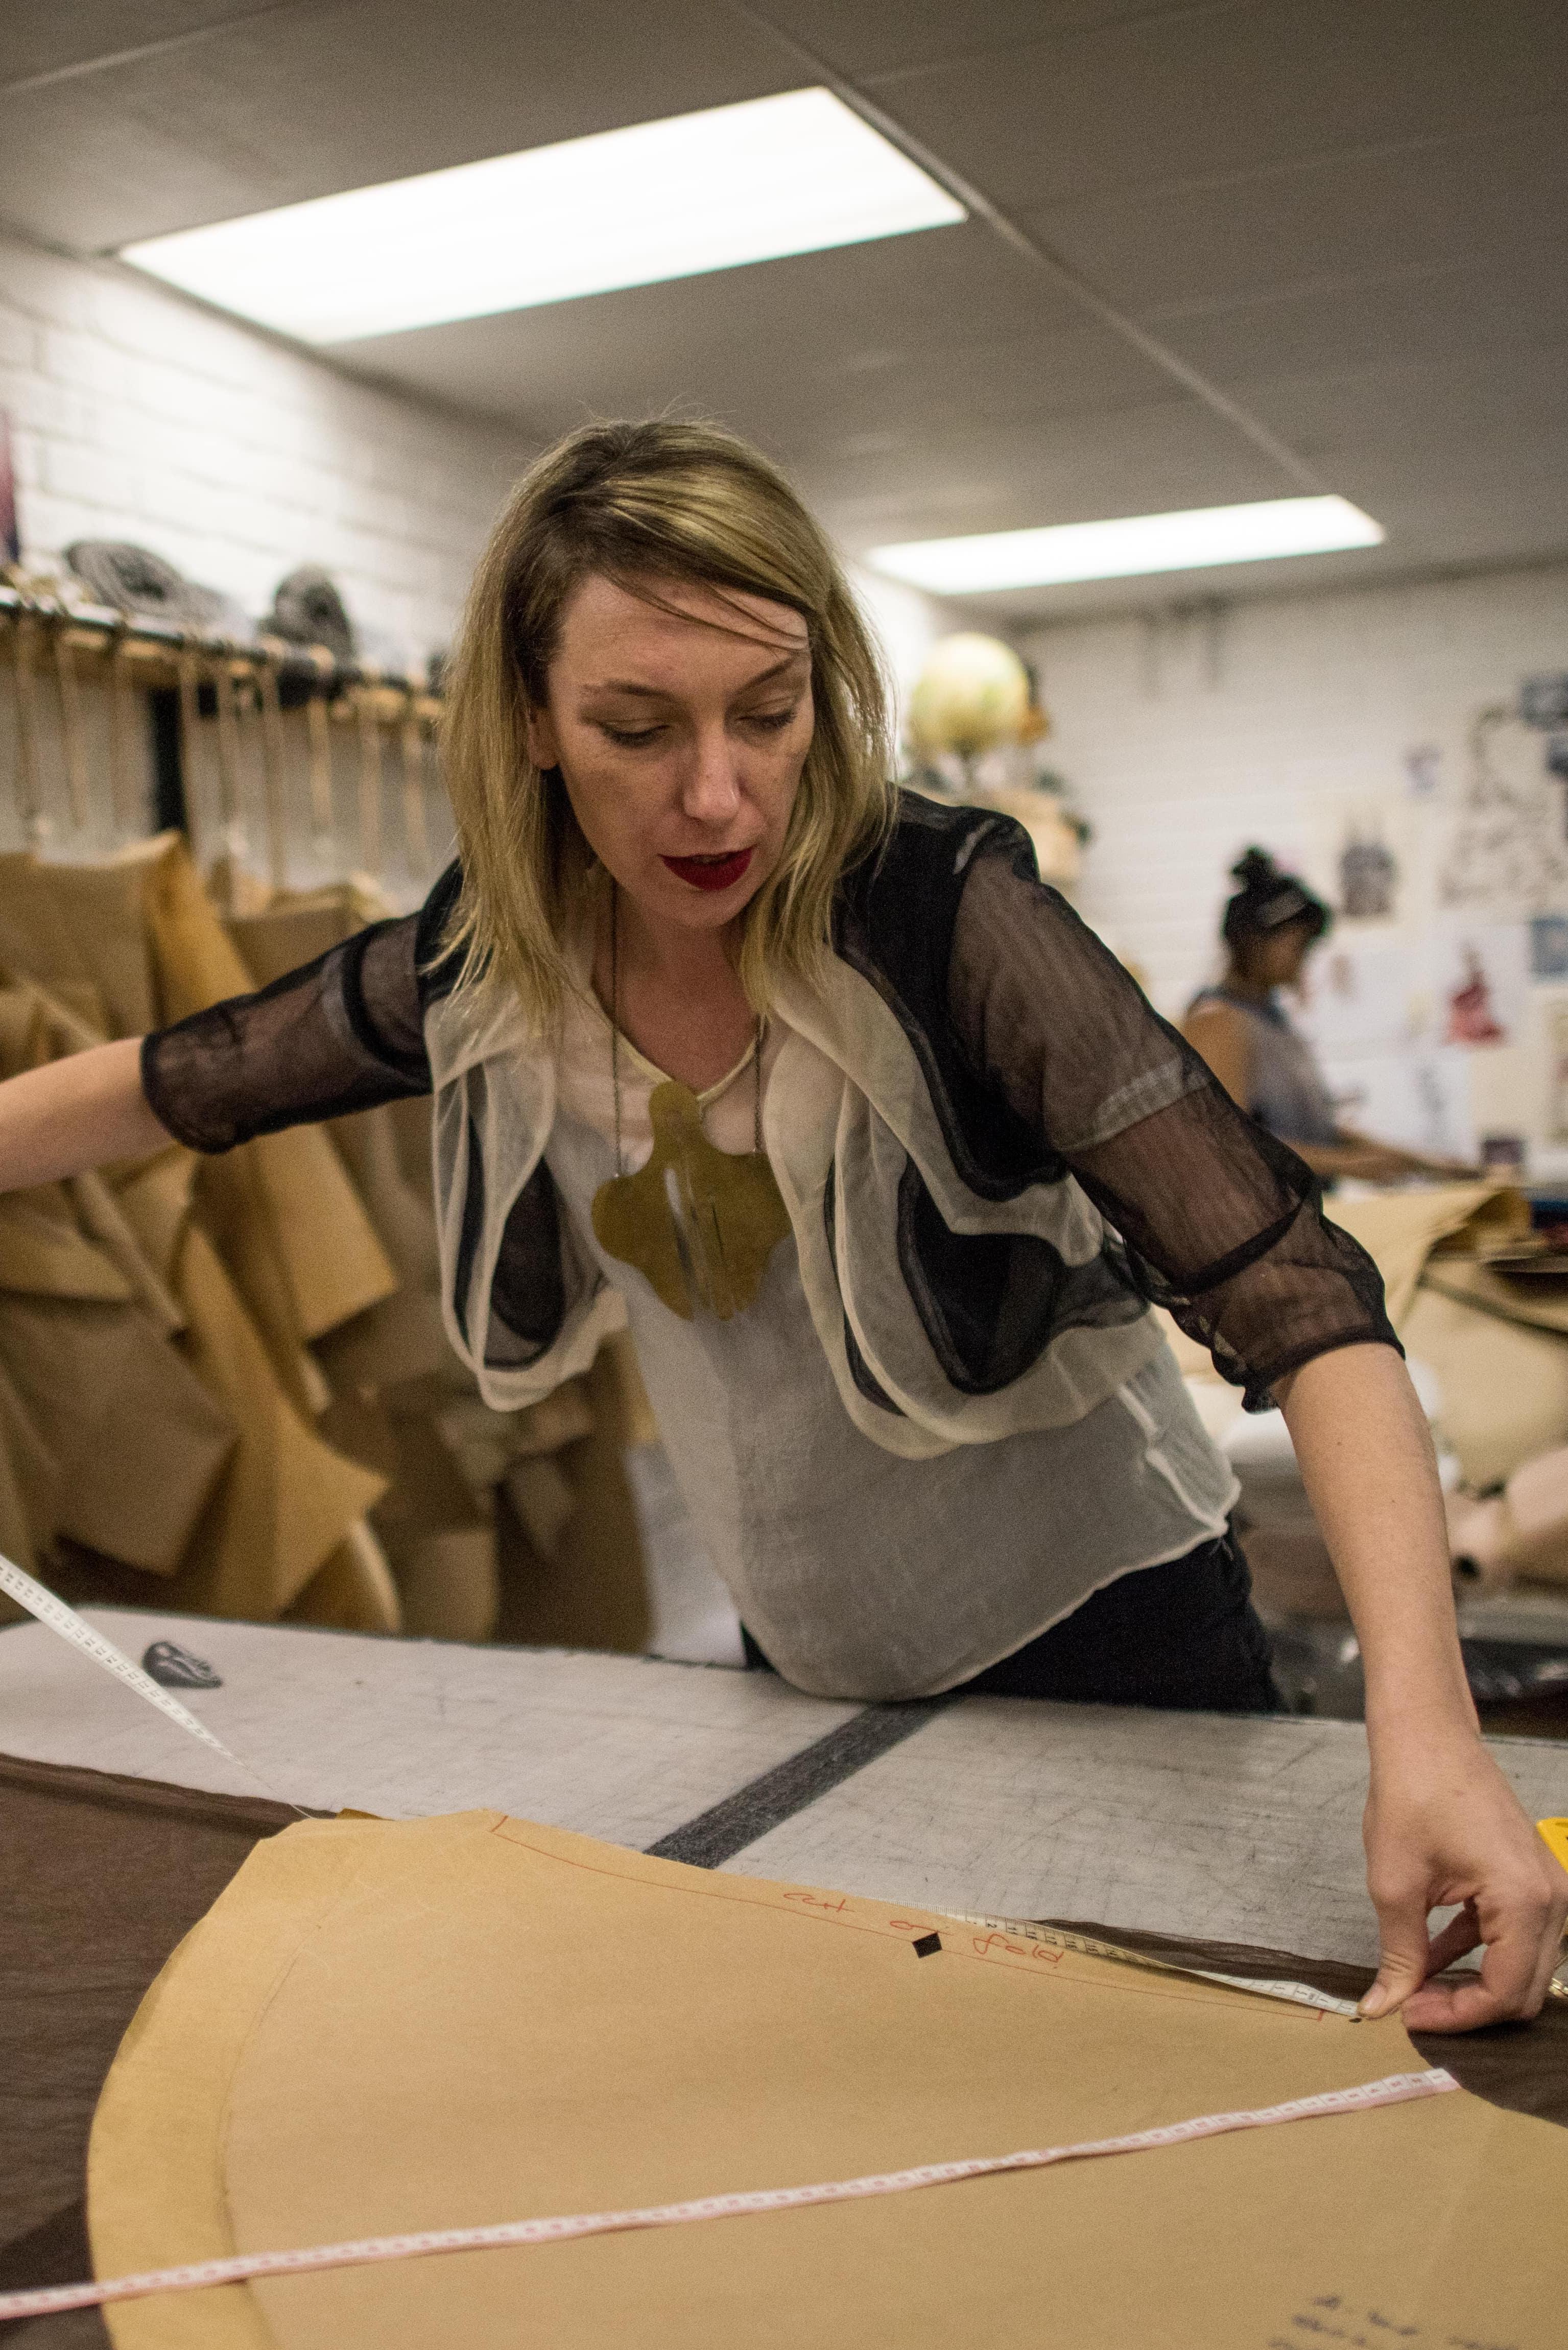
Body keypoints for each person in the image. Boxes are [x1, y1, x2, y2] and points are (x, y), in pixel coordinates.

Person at [0, 422, 1559, 2032]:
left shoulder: (954, 919)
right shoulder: (500, 961)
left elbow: (1304, 1300)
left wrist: (1424, 1730)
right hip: (808, 1644)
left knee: (1175, 2080)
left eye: (771, 710)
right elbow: (188, 1078)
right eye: (635, 724)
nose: (718, 792)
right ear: (530, 719)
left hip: (1109, 1622)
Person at [1184, 848, 1476, 1182]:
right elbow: (1228, 1143)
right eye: (1298, 945)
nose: (1304, 959)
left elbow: (1315, 1131)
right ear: (1256, 944)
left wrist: (1427, 1165)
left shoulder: (1271, 1019)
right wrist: (1346, 1165)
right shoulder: (1217, 1021)